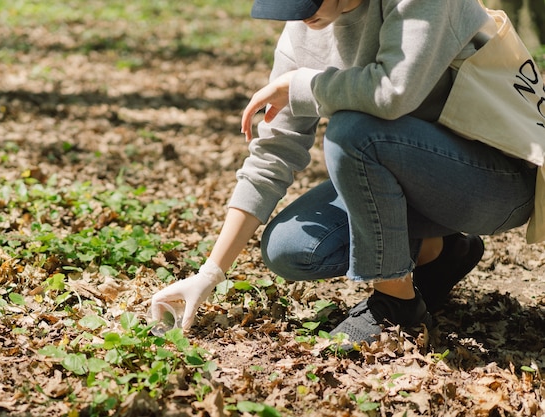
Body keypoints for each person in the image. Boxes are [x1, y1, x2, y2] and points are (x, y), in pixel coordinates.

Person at [152, 0, 537, 347]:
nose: (300, 15)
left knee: (353, 133)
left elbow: (393, 92)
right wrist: (210, 272)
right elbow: (273, 152)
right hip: (420, 175)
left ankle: (396, 307)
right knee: (290, 248)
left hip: (499, 181)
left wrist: (304, 85)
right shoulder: (302, 30)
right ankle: (438, 253)